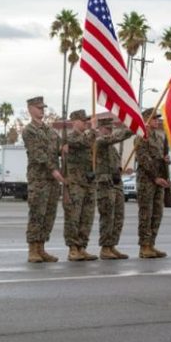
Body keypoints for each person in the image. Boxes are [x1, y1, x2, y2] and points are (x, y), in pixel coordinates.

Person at [22, 96, 65, 263]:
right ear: (30, 109)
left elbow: (59, 148)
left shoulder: (50, 131)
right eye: (39, 108)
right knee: (37, 214)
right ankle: (32, 249)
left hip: (52, 181)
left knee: (49, 215)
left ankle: (41, 248)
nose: (42, 111)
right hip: (39, 179)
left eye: (43, 108)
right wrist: (53, 169)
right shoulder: (29, 131)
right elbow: (37, 154)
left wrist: (64, 148)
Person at [134, 108, 170, 259]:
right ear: (146, 120)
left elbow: (160, 157)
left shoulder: (160, 137)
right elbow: (143, 159)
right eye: (154, 118)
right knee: (146, 214)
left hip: (159, 181)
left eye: (157, 118)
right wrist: (155, 177)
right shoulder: (141, 136)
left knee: (157, 214)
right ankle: (144, 246)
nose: (157, 120)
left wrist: (166, 160)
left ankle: (152, 244)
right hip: (147, 181)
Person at [94, 117, 132, 259]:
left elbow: (115, 163)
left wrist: (122, 169)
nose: (109, 131)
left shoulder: (111, 147)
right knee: (107, 217)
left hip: (116, 184)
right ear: (100, 129)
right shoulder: (99, 141)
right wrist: (133, 129)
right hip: (105, 185)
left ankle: (112, 245)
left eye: (111, 129)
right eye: (107, 128)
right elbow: (115, 138)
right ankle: (105, 248)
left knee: (118, 217)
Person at [62, 109, 97, 261]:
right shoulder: (71, 138)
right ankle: (73, 248)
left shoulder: (87, 137)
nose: (86, 123)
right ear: (74, 121)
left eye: (86, 120)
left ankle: (82, 247)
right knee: (73, 217)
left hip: (88, 183)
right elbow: (84, 142)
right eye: (83, 120)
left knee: (87, 217)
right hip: (75, 184)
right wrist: (93, 130)